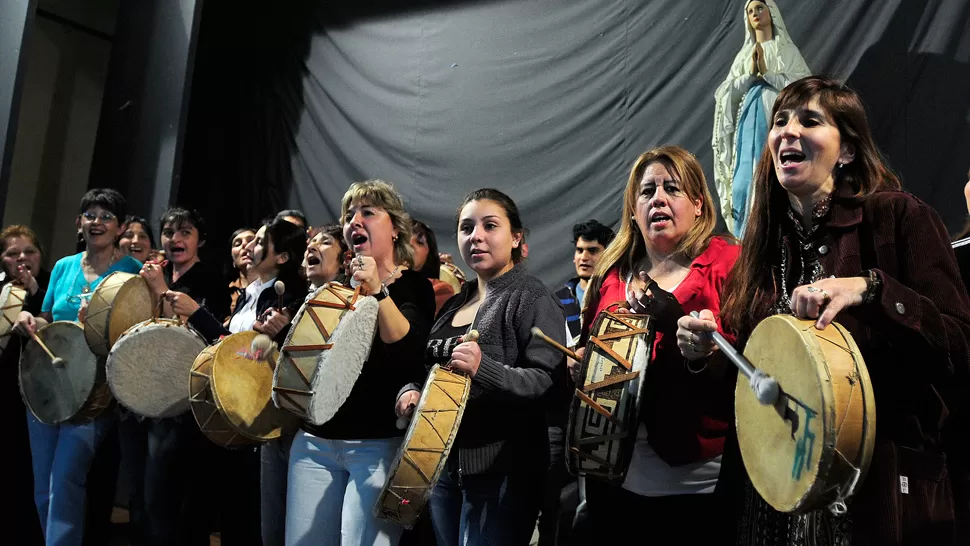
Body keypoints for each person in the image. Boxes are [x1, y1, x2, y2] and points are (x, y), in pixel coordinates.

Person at [679, 75, 970, 545]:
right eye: (779, 122)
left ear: (848, 151)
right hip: (770, 504)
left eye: (809, 120)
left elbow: (962, 349)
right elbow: (760, 386)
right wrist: (707, 356)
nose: (787, 132)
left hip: (873, 500)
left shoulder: (900, 219)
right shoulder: (761, 247)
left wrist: (874, 291)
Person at [568, 146, 739, 543]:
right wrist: (580, 365)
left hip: (700, 486)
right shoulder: (610, 275)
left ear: (698, 204)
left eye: (672, 188)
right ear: (633, 209)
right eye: (647, 192)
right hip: (612, 479)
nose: (658, 198)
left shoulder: (729, 262)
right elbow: (586, 349)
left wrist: (707, 354)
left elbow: (751, 365)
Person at [396, 188, 566, 546]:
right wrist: (411, 389)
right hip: (444, 471)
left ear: (516, 236)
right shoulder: (457, 300)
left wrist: (484, 368)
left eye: (490, 225)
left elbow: (547, 382)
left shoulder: (532, 296)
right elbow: (428, 365)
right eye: (466, 227)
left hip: (503, 475)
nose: (476, 236)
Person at [284, 180, 434, 546]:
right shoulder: (335, 287)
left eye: (368, 212)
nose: (355, 221)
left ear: (395, 228)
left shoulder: (414, 286)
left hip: (376, 446)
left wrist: (378, 292)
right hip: (315, 442)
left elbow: (408, 352)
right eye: (350, 214)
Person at [14, 188, 143, 546]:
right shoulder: (63, 266)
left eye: (106, 217)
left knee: (66, 482)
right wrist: (29, 319)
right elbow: (47, 319)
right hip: (49, 388)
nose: (97, 222)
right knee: (43, 489)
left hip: (95, 394)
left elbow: (135, 335)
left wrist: (100, 327)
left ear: (119, 228)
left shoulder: (132, 272)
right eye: (90, 215)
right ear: (78, 222)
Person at [168, 216, 307, 545]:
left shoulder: (282, 298)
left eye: (260, 242)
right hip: (226, 407)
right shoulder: (250, 292)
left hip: (251, 417)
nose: (250, 246)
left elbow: (243, 355)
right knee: (196, 509)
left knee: (240, 517)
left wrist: (197, 313)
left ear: (282, 257)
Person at [120, 207, 229, 545]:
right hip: (142, 390)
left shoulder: (211, 278)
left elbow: (189, 337)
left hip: (182, 398)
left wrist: (160, 289)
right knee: (137, 493)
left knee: (164, 496)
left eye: (185, 232)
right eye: (168, 232)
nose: (175, 239)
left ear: (200, 240)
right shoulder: (154, 273)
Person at [712, 0, 810, 236]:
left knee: (774, 177)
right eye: (750, 10)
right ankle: (747, 235)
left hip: (776, 122)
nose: (755, 13)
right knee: (747, 179)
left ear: (771, 12)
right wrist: (750, 76)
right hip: (746, 127)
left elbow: (803, 91)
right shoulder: (744, 55)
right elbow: (725, 96)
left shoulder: (786, 51)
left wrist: (768, 73)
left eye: (759, 8)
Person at [1, 225, 49, 546]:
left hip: (37, 397)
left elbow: (58, 324)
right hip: (3, 394)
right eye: (12, 253)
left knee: (26, 476)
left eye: (29, 251)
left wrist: (33, 291)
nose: (22, 258)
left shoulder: (48, 287)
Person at [555, 220, 615, 345]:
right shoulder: (557, 300)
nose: (583, 257)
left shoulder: (617, 298)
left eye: (592, 251)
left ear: (609, 256)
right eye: (579, 250)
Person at [410, 219, 456, 313]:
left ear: (429, 256)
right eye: (403, 239)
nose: (410, 245)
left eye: (420, 242)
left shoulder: (439, 290)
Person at [227, 227, 258, 318]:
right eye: (237, 244)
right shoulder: (224, 292)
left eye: (251, 241)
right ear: (233, 261)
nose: (245, 244)